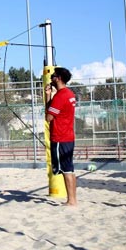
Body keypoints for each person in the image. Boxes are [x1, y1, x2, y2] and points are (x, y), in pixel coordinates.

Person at [45, 67, 78, 206]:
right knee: (69, 169)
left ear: (58, 78)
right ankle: (73, 200)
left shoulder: (60, 96)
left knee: (66, 170)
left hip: (60, 137)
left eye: (53, 75)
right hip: (68, 136)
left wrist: (50, 97)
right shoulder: (69, 93)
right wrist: (48, 95)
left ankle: (71, 201)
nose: (51, 77)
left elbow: (48, 117)